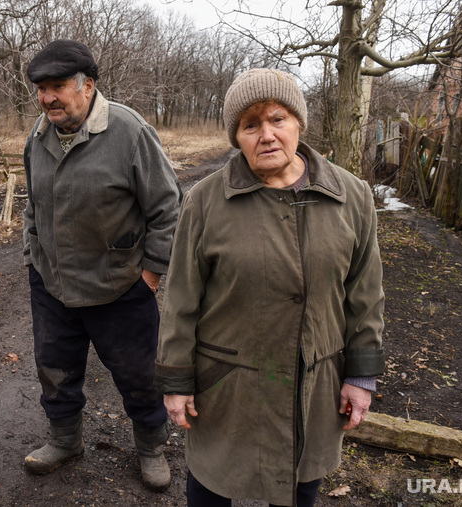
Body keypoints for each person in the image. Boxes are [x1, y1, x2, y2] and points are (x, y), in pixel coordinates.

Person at [154, 68, 385, 506]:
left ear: (298, 123)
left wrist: (360, 375)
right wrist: (176, 381)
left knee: (301, 484)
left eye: (277, 119)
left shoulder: (351, 196)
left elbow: (365, 294)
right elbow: (181, 299)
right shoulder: (204, 202)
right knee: (212, 484)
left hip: (315, 383)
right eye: (250, 125)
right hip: (227, 388)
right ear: (236, 137)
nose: (266, 134)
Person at [21, 39, 182, 492]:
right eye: (41, 88)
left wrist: (151, 272)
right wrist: (32, 256)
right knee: (54, 367)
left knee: (139, 374)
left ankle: (151, 447)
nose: (47, 97)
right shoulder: (38, 134)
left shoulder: (128, 131)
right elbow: (32, 204)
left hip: (120, 286)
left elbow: (168, 208)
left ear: (87, 85)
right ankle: (64, 440)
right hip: (53, 284)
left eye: (57, 87)